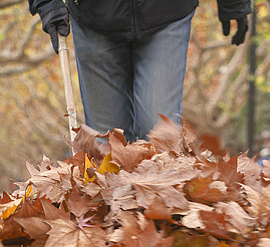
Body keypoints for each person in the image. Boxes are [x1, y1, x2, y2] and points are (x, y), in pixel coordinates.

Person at [28, 0, 251, 143]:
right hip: (93, 18)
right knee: (108, 143)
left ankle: (158, 213)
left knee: (159, 135)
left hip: (168, 14)